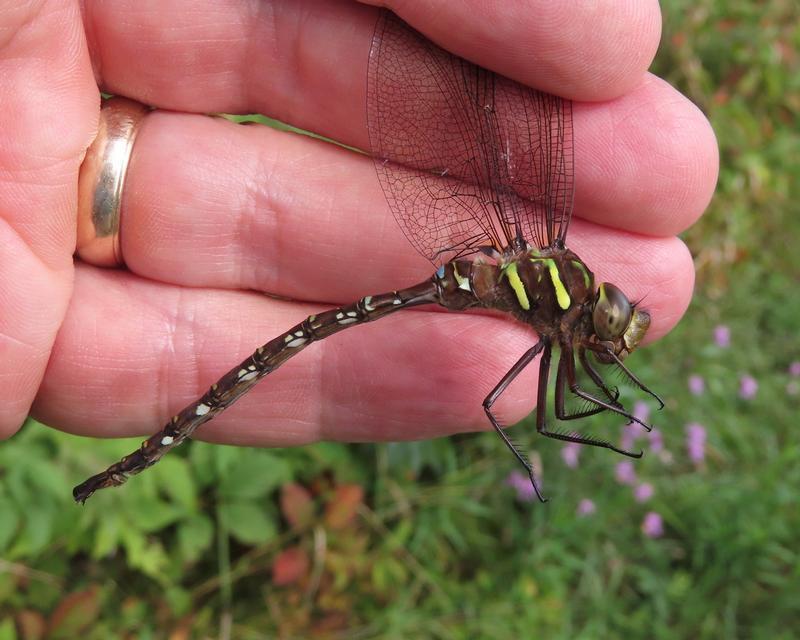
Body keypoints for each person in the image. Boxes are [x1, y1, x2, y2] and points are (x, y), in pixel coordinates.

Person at [0, 1, 717, 460]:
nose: (612, 335)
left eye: (614, 324)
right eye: (612, 324)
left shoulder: (558, 280)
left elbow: (564, 401)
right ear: (587, 309)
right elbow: (559, 408)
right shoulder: (562, 307)